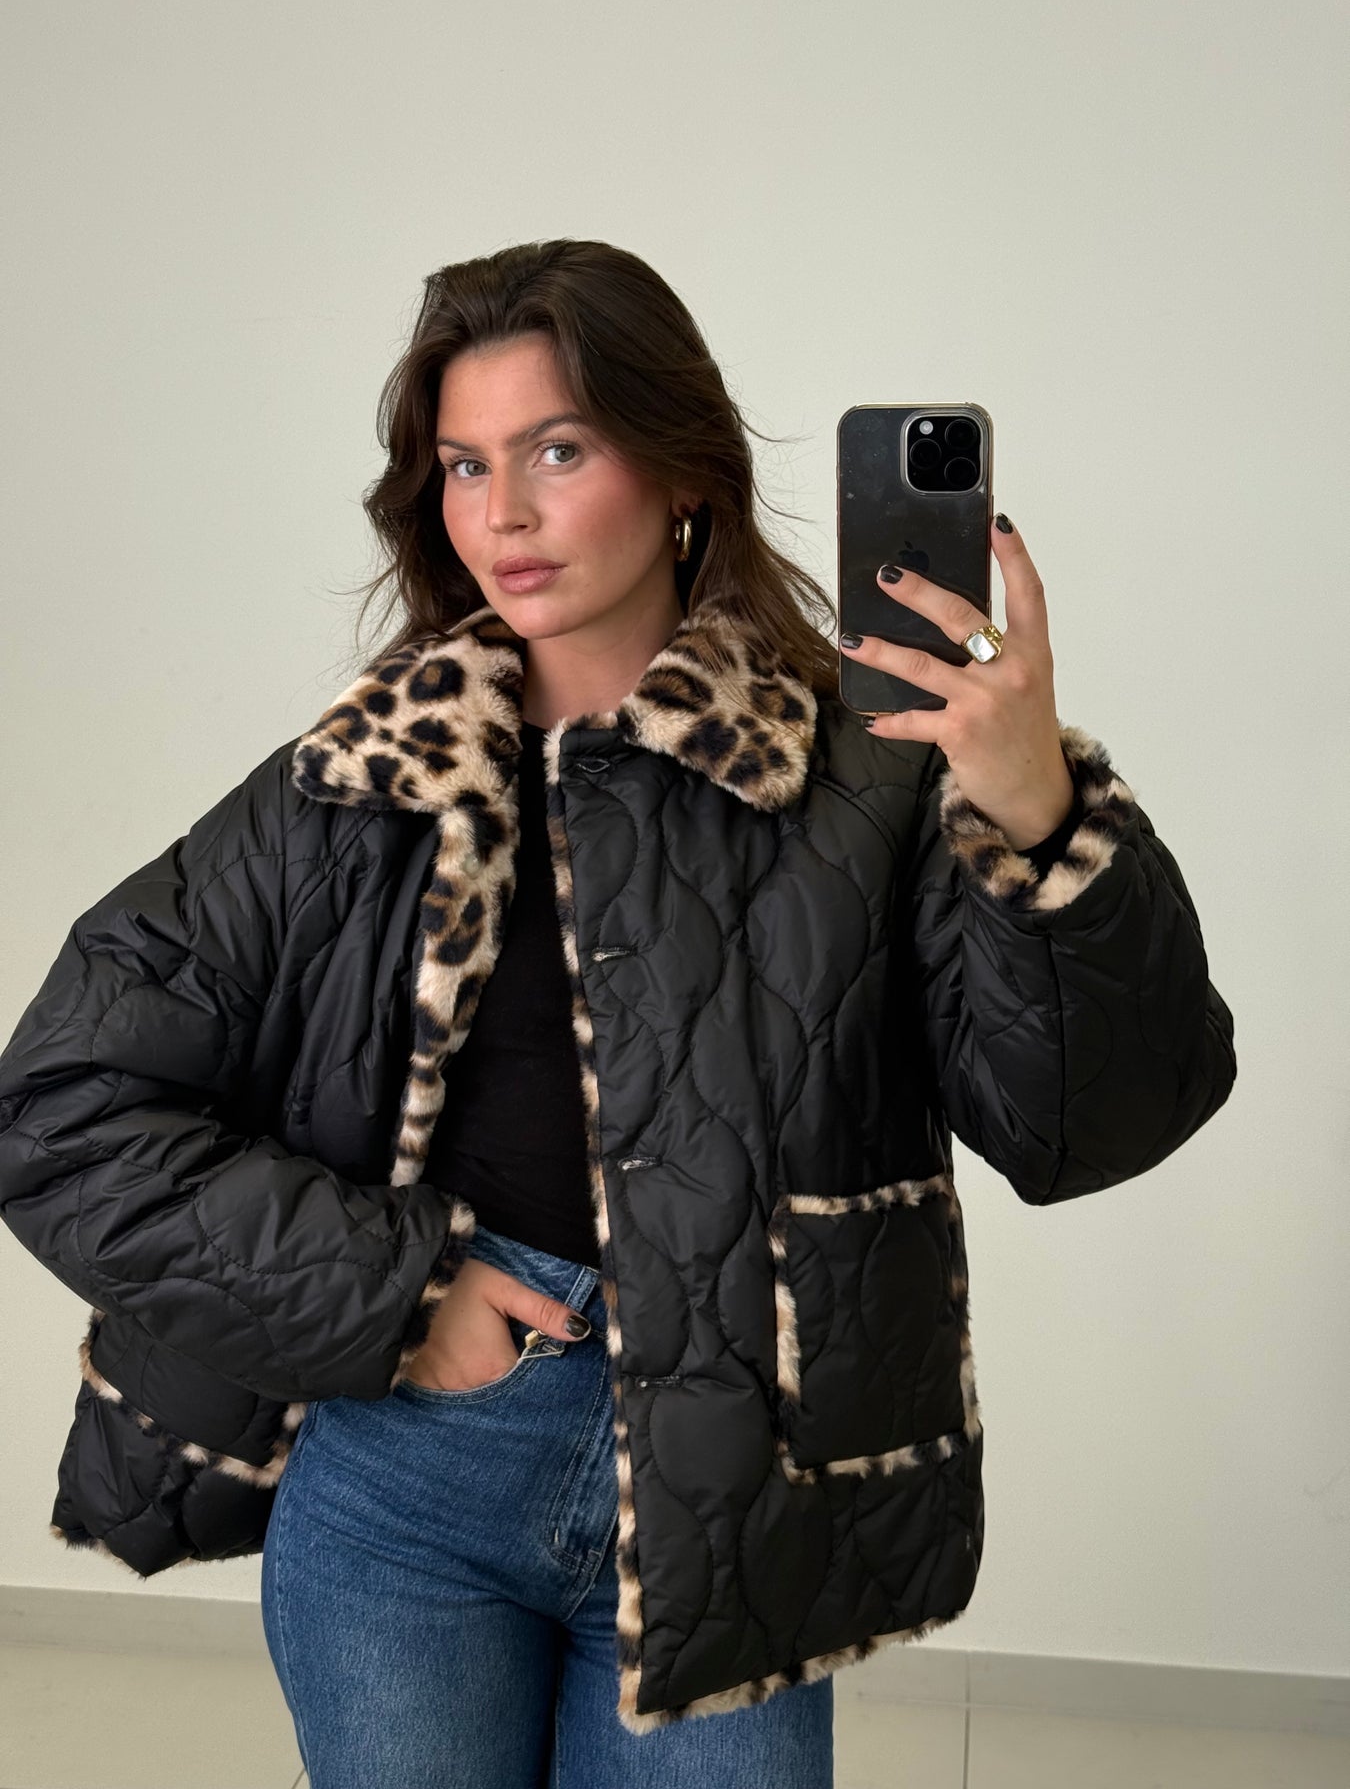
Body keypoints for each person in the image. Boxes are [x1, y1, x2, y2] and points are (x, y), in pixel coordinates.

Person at [0, 239, 1237, 1789]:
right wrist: (399, 1295)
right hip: (409, 1482)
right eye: (465, 465)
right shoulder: (357, 788)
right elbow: (57, 1104)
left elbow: (1085, 1128)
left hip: (741, 1494)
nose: (502, 514)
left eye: (558, 451)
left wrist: (1037, 814)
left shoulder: (870, 778)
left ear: (680, 472)